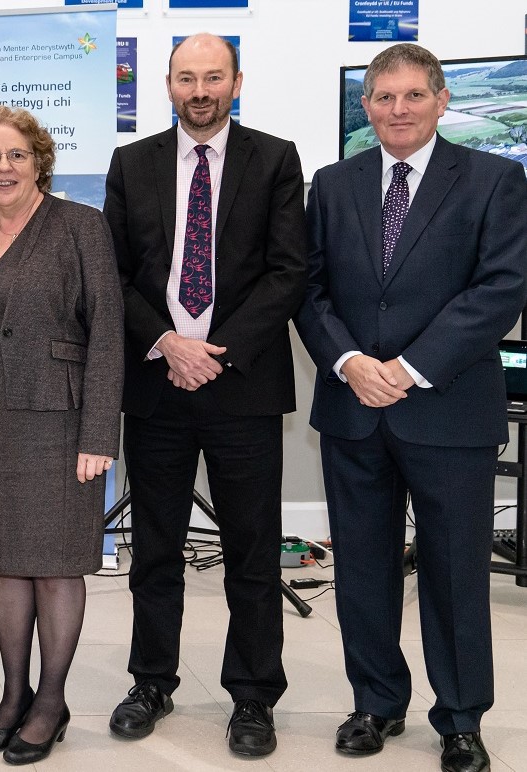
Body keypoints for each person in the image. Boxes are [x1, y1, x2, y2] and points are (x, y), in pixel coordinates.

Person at [295, 43, 527, 772]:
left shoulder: (494, 178)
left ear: (439, 101)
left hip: (447, 408)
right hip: (352, 405)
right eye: (382, 97)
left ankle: (459, 718)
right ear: (364, 106)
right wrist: (348, 362)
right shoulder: (331, 184)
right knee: (361, 568)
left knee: (454, 572)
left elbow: (499, 289)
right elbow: (306, 289)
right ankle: (374, 704)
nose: (397, 109)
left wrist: (408, 367)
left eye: (411, 96)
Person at [103, 32, 307, 757]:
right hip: (157, 386)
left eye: (212, 77)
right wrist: (167, 344)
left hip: (241, 387)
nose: (199, 91)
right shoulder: (132, 164)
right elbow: (116, 274)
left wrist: (214, 354)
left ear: (235, 80)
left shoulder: (275, 159)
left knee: (250, 551)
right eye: (186, 78)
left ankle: (252, 697)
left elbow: (289, 271)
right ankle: (151, 681)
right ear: (166, 85)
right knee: (153, 549)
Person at [0, 105, 123, 766]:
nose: (2, 167)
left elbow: (106, 332)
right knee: (3, 557)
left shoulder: (80, 226)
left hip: (59, 421)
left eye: (15, 154)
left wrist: (98, 433)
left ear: (38, 160)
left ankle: (51, 701)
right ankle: (12, 694)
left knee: (54, 563)